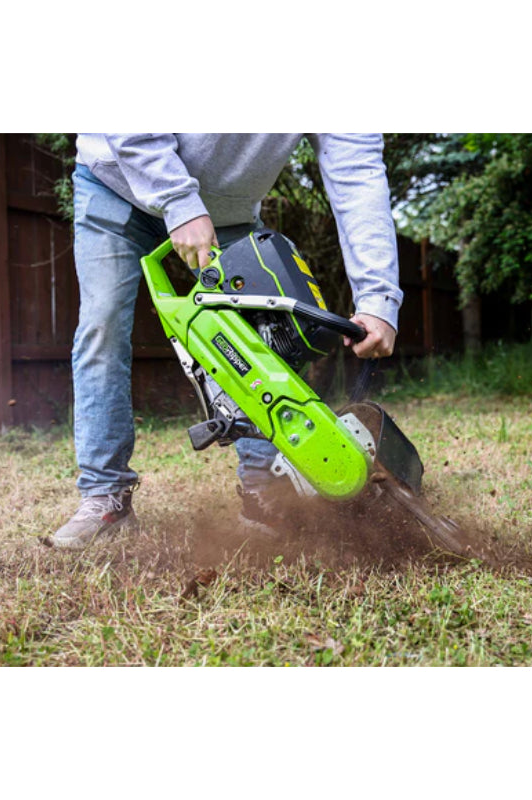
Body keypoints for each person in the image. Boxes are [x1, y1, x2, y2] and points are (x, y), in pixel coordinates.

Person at [47, 134, 403, 549]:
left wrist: (379, 298)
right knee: (102, 326)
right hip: (117, 181)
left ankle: (264, 495)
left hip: (227, 213)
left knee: (264, 341)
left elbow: (356, 174)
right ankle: (105, 496)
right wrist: (178, 202)